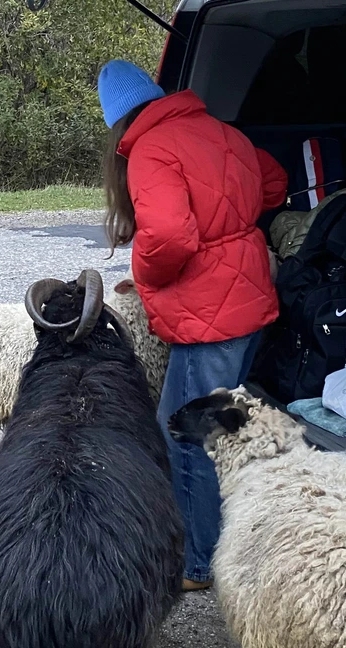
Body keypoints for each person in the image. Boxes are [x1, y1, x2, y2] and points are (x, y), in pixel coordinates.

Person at [98, 59, 287, 590]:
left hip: (211, 319)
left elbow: (171, 239)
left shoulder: (151, 151)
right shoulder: (220, 131)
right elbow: (273, 183)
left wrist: (147, 272)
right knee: (227, 423)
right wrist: (229, 219)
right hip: (250, 301)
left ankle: (199, 562)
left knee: (186, 434)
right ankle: (241, 527)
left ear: (117, 116)